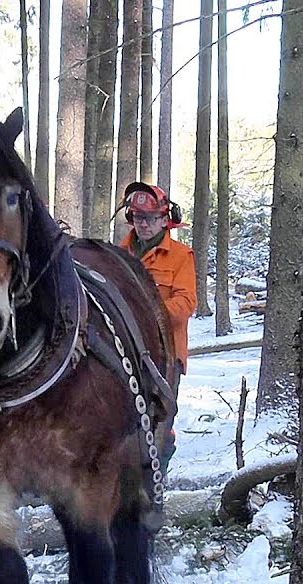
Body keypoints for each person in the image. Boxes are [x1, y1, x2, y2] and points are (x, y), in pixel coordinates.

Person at [117, 182, 196, 473]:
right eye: (138, 218)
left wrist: (150, 314)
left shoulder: (180, 256)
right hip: (125, 351)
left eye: (150, 219)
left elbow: (186, 302)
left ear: (165, 219)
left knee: (159, 420)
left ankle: (155, 482)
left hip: (165, 354)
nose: (144, 225)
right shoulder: (119, 254)